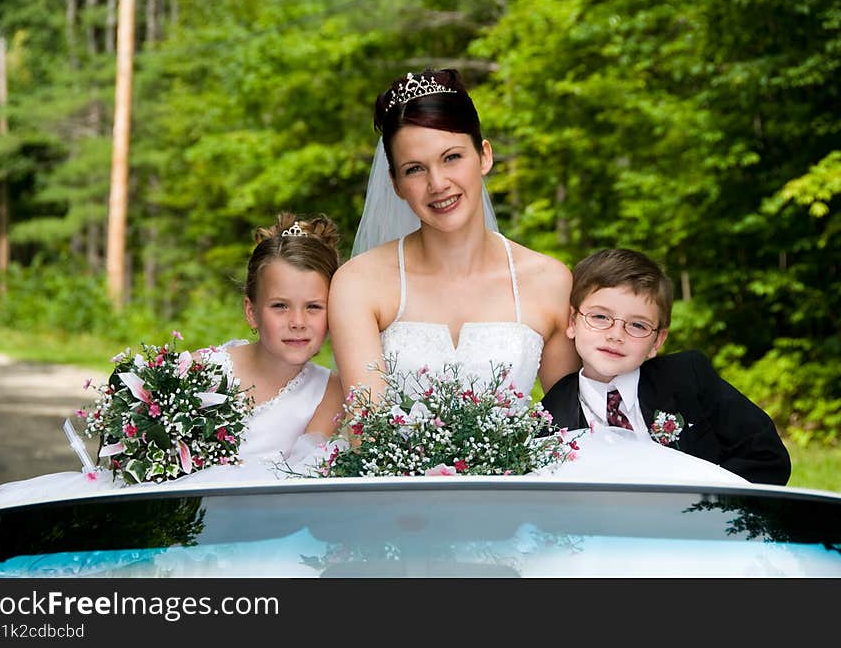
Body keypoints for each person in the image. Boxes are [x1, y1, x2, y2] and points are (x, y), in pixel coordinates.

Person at [0, 213, 345, 513]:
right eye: (280, 306)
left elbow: (302, 479)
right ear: (251, 311)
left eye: (314, 307)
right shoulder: (199, 370)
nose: (298, 321)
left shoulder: (330, 391)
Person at [328, 68, 580, 404]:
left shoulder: (550, 282)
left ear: (484, 156)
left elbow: (570, 426)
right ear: (395, 184)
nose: (438, 183)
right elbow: (367, 431)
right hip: (392, 457)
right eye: (414, 169)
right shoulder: (358, 283)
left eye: (452, 158)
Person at [540, 248, 791, 485]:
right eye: (600, 317)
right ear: (573, 322)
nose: (616, 335)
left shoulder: (687, 378)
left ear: (656, 341)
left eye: (637, 325)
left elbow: (768, 456)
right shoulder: (550, 414)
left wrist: (705, 501)